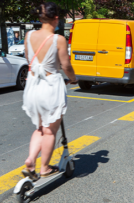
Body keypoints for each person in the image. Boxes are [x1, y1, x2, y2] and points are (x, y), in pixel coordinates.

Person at [22, 2, 78, 180]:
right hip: (50, 87)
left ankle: (31, 160)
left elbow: (28, 58)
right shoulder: (58, 39)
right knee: (49, 131)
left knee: (39, 128)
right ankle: (44, 168)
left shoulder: (29, 35)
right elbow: (66, 65)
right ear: (56, 18)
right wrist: (74, 78)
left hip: (32, 87)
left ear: (40, 17)